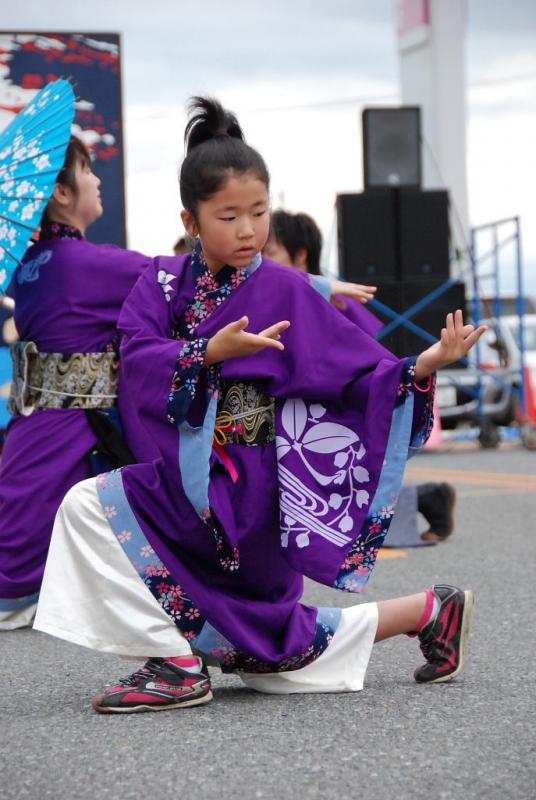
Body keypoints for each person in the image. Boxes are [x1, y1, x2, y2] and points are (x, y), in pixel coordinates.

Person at [34, 97, 485, 713]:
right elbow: (137, 357)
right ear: (191, 222)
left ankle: (174, 662)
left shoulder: (283, 289)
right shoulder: (161, 282)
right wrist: (205, 351)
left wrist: (422, 365)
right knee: (269, 656)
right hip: (188, 482)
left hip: (251, 493)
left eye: (259, 212)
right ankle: (429, 611)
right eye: (229, 216)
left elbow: (354, 375)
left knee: (258, 645)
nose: (249, 231)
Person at [0, 136, 152, 629]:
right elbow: (191, 279)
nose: (97, 179)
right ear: (62, 194)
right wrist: (311, 286)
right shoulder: (86, 264)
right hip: (74, 434)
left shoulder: (30, 268)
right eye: (87, 170)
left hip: (35, 432)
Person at [265, 209, 457, 542]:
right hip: (309, 418)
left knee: (333, 498)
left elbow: (360, 369)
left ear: (300, 255)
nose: (259, 260)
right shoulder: (297, 296)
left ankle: (429, 498)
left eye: (269, 253)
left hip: (328, 414)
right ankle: (428, 498)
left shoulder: (328, 303)